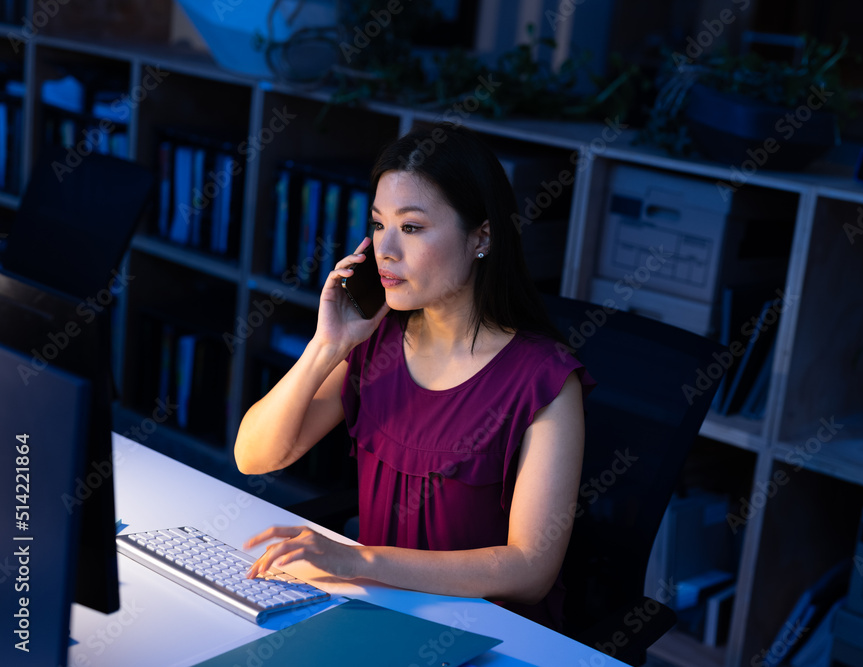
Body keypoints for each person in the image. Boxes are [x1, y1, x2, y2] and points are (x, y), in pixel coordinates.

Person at [233, 123, 595, 630]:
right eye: (379, 224)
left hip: (486, 633)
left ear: (481, 237)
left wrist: (356, 561)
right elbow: (255, 457)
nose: (385, 250)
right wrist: (325, 348)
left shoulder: (545, 380)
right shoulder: (376, 343)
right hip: (378, 610)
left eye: (412, 227)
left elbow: (530, 569)